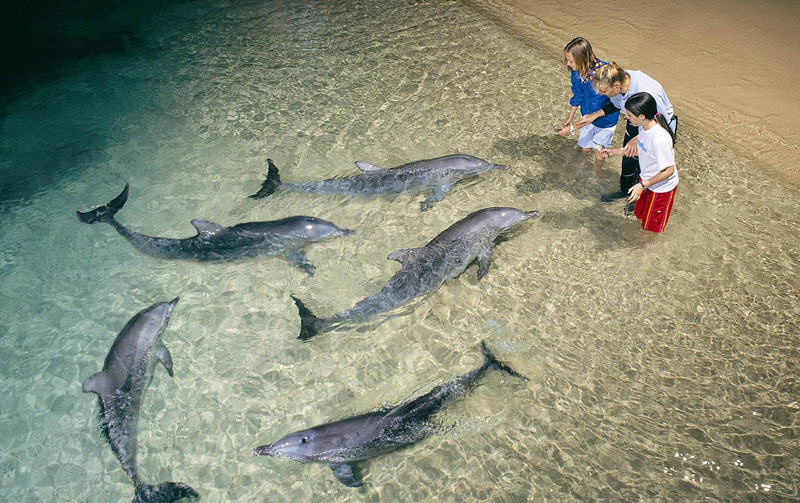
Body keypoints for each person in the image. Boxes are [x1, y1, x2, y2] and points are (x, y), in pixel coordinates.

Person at [575, 62, 677, 202]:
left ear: (616, 87)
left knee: (647, 165)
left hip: (657, 124)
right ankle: (626, 192)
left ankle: (641, 196)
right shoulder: (620, 80)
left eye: (604, 92)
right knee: (628, 159)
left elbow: (661, 120)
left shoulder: (646, 91)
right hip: (636, 118)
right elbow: (616, 104)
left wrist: (639, 138)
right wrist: (594, 115)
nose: (601, 94)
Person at [600, 92, 678, 233]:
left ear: (642, 116)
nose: (627, 118)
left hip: (661, 188)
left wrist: (643, 185)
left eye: (630, 115)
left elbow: (669, 170)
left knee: (652, 229)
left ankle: (647, 251)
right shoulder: (644, 128)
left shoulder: (659, 139)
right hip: (647, 180)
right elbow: (641, 149)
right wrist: (614, 151)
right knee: (640, 217)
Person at [556, 38, 620, 170]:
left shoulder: (605, 73)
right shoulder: (576, 72)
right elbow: (578, 93)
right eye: (567, 60)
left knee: (599, 152)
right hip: (586, 115)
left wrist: (573, 128)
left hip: (605, 121)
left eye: (571, 61)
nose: (568, 64)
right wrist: (571, 116)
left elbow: (616, 103)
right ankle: (583, 165)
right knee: (585, 146)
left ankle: (597, 172)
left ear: (582, 59)